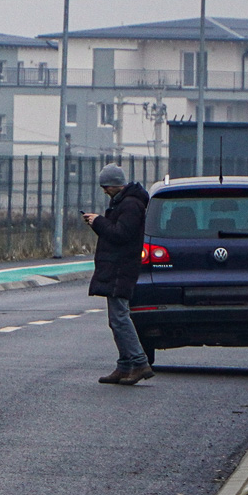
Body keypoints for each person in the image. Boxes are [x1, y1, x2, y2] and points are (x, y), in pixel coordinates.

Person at [82, 165, 152, 385]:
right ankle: (124, 366)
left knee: (120, 317)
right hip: (118, 266)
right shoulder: (126, 202)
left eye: (106, 187)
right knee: (116, 319)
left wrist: (98, 222)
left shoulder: (130, 205)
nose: (105, 191)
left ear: (114, 184)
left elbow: (121, 234)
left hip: (121, 267)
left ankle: (139, 363)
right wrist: (98, 223)